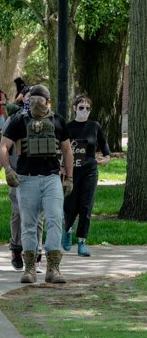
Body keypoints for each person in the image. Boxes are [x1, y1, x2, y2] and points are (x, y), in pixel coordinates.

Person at [0, 84, 74, 284]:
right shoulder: (19, 120)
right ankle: (29, 268)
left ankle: (53, 268)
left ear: (48, 102)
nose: (36, 103)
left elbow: (67, 150)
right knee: (28, 224)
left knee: (55, 219)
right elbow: (4, 147)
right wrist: (8, 170)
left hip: (51, 178)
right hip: (26, 179)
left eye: (40, 100)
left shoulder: (58, 121)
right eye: (32, 100)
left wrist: (69, 177)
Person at [63, 94, 110, 257]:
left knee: (86, 205)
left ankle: (82, 241)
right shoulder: (67, 127)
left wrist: (106, 158)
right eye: (81, 107)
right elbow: (61, 149)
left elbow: (104, 145)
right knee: (70, 204)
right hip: (71, 170)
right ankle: (67, 230)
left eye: (88, 108)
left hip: (90, 169)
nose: (85, 111)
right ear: (74, 108)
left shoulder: (94, 126)